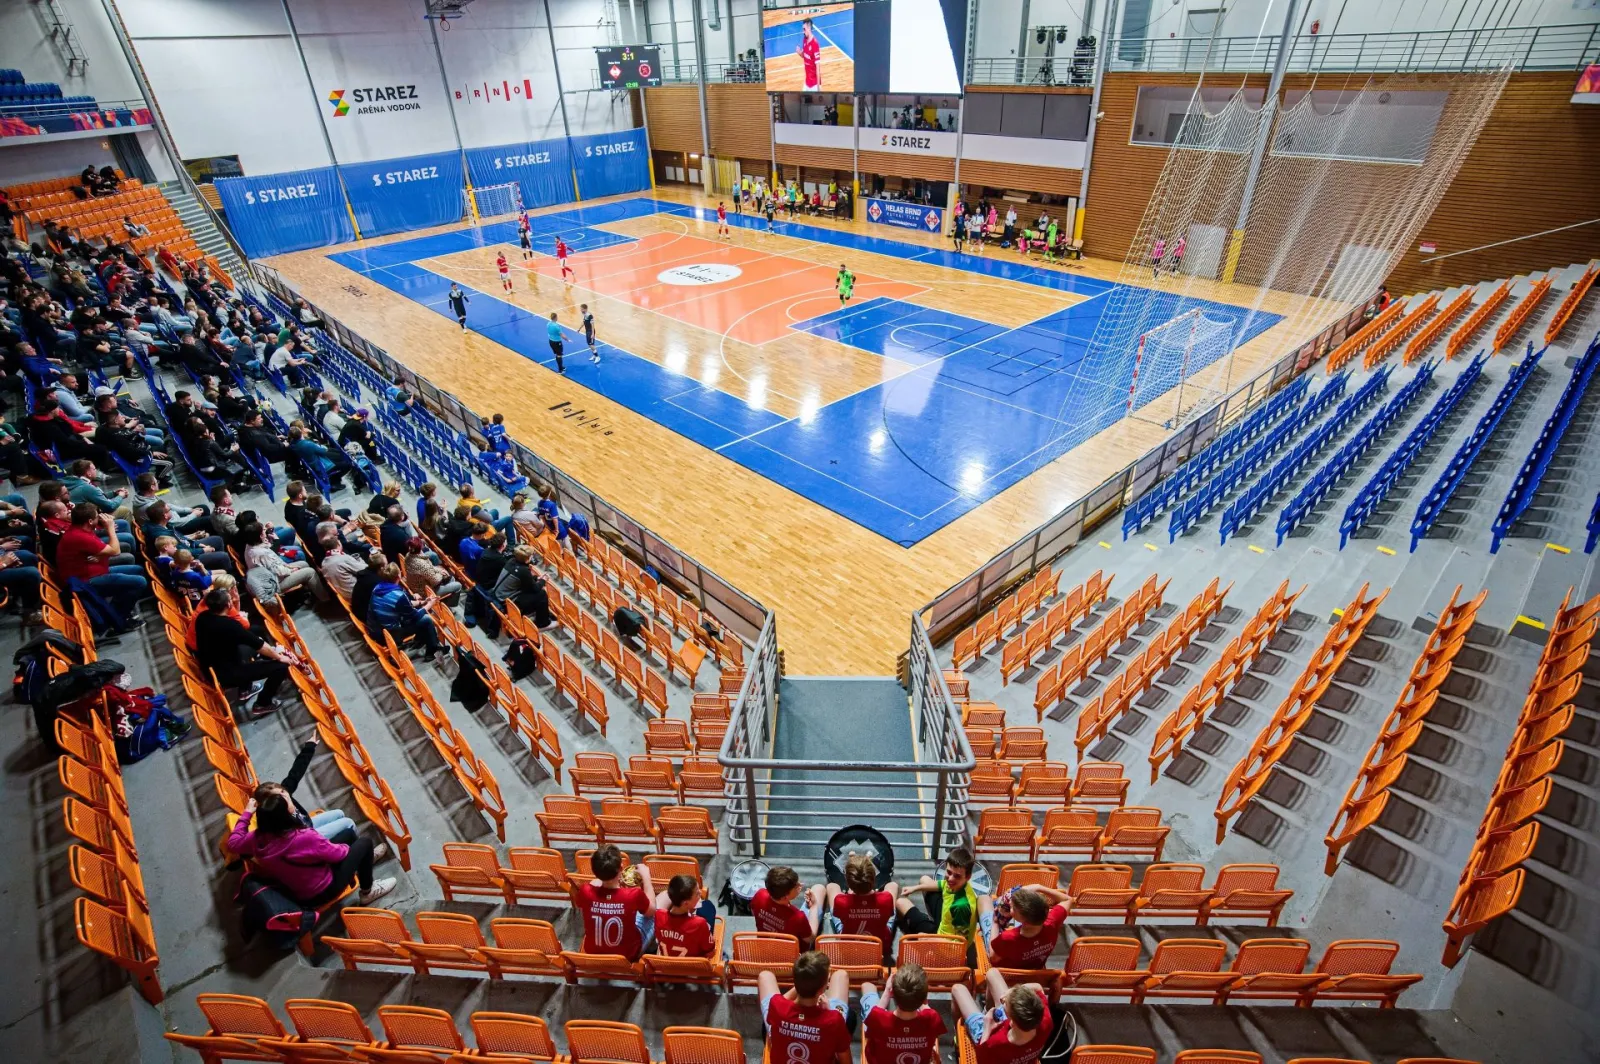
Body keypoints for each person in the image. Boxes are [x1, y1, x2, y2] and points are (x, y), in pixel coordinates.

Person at [228, 790, 395, 907]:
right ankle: (367, 892)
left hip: (302, 889)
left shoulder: (257, 837)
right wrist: (345, 849)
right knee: (364, 843)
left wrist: (247, 814)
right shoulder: (304, 837)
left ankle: (363, 864)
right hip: (323, 889)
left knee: (348, 834)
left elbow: (233, 843)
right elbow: (338, 854)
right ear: (285, 816)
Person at [193, 586, 299, 713]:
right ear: (228, 604)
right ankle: (263, 703)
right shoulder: (230, 625)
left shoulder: (203, 617)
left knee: (255, 631)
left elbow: (248, 637)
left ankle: (247, 687)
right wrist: (279, 656)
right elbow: (258, 645)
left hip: (212, 664)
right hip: (226, 674)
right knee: (280, 667)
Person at [257, 736, 362, 843]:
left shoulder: (285, 791)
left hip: (306, 823)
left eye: (282, 791)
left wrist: (309, 747)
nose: (285, 795)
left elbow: (296, 772)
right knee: (348, 823)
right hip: (306, 836)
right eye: (279, 796)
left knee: (339, 813)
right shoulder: (280, 822)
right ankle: (359, 848)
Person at [56, 503, 148, 620]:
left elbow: (95, 549)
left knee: (138, 570)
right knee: (140, 582)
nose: (99, 518)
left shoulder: (80, 529)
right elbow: (116, 551)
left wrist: (100, 554)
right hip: (85, 583)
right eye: (97, 516)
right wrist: (110, 528)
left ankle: (121, 604)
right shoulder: (80, 536)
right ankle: (117, 617)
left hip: (94, 570)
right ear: (90, 521)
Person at [896, 847, 985, 963]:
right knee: (924, 879)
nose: (950, 878)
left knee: (900, 902)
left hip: (945, 944)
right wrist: (914, 888)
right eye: (949, 872)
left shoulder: (961, 907)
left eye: (957, 876)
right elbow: (942, 884)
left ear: (968, 877)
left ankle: (924, 933)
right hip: (947, 920)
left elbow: (959, 946)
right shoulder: (956, 885)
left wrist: (929, 939)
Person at [758, 953, 850, 1064]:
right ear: (822, 989)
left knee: (765, 976)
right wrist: (828, 1010)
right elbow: (846, 1061)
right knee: (841, 975)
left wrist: (803, 982)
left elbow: (780, 1001)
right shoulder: (834, 1019)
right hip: (828, 1022)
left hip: (783, 1018)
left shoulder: (776, 1006)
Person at [951, 971, 1054, 1064]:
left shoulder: (996, 1043)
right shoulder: (1046, 1020)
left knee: (957, 989)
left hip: (987, 1032)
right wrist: (1012, 992)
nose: (1002, 999)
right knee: (992, 973)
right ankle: (987, 1010)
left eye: (1005, 1004)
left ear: (1011, 1022)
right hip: (1017, 1036)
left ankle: (958, 1038)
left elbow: (981, 1058)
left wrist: (987, 1027)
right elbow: (1038, 987)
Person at [573, 843, 655, 960]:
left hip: (593, 952)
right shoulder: (633, 895)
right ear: (621, 868)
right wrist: (646, 878)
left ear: (594, 871)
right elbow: (651, 911)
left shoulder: (585, 891)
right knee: (658, 906)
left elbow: (581, 901)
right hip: (626, 955)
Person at [861, 962, 946, 1064]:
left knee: (868, 988)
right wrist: (921, 997)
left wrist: (887, 991)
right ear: (925, 998)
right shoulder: (932, 1018)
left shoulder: (877, 1018)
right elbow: (927, 1010)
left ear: (892, 993)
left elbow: (873, 1021)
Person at [827, 852, 899, 962]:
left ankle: (854, 861)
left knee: (832, 886)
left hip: (850, 945)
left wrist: (851, 897)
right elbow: (890, 913)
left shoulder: (841, 901)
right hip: (880, 946)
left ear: (848, 882)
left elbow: (839, 915)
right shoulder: (886, 898)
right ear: (873, 878)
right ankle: (862, 861)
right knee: (892, 885)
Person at [366, 563, 443, 659]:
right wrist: (429, 605)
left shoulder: (378, 588)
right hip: (390, 633)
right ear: (399, 576)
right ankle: (432, 651)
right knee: (426, 619)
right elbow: (414, 616)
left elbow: (403, 605)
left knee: (419, 613)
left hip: (377, 628)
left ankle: (420, 640)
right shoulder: (399, 595)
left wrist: (422, 602)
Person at [984, 887, 1070, 971]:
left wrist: (995, 923)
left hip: (1008, 973)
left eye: (1012, 908)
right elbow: (1068, 899)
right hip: (1036, 971)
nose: (1010, 904)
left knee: (985, 900)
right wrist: (1039, 887)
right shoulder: (1053, 921)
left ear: (1024, 921)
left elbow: (993, 958)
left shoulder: (1007, 937)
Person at [751, 865, 827, 951]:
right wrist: (814, 906)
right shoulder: (798, 917)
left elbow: (754, 911)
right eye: (796, 886)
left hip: (765, 948)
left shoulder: (759, 895)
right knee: (819, 888)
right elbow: (810, 938)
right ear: (785, 897)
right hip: (793, 953)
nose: (800, 885)